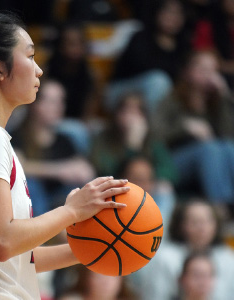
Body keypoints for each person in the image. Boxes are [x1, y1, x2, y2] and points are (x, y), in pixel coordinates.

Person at [0, 12, 130, 299]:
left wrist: (95, 248)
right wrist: (72, 211)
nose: (39, 70)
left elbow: (16, 259)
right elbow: (2, 241)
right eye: (30, 56)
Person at [154, 50, 234, 205]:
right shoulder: (172, 98)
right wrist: (184, 128)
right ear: (188, 71)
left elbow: (228, 135)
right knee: (209, 149)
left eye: (212, 71)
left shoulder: (216, 101)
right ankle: (222, 206)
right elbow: (154, 135)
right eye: (202, 69)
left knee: (229, 147)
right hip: (173, 161)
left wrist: (224, 96)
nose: (208, 75)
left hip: (212, 161)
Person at [11, 78, 95, 216]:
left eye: (61, 101)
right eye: (51, 101)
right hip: (32, 205)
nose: (58, 107)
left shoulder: (65, 139)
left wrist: (83, 171)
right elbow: (19, 166)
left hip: (60, 200)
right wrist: (59, 170)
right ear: (34, 103)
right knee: (31, 185)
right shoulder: (17, 136)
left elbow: (83, 169)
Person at [129, 199, 234, 300]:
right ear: (181, 225)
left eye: (208, 220)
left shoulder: (227, 258)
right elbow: (156, 296)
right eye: (195, 221)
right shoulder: (165, 257)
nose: (202, 227)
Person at [105, 0, 190, 113]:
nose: (172, 17)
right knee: (159, 81)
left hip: (161, 95)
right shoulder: (140, 37)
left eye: (178, 13)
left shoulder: (183, 45)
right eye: (168, 11)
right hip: (121, 92)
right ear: (157, 13)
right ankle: (153, 128)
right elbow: (141, 66)